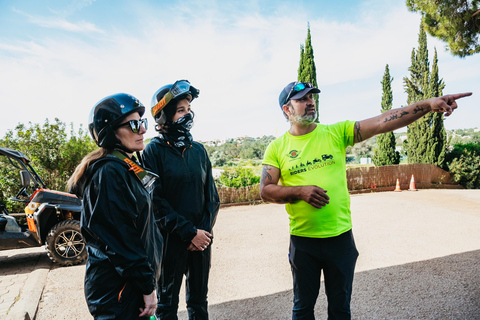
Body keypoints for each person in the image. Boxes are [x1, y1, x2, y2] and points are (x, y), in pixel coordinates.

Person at [260, 81, 472, 320]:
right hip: (303, 242)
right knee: (302, 308)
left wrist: (428, 104)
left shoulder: (336, 132)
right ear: (287, 109)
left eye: (311, 97)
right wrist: (299, 192)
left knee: (340, 309)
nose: (310, 102)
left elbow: (383, 121)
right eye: (302, 99)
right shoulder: (277, 147)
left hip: (340, 239)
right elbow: (266, 190)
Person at [68, 93, 163, 320]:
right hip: (120, 291)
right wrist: (147, 289)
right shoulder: (109, 174)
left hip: (130, 286)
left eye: (142, 123)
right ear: (110, 131)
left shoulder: (124, 166)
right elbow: (122, 241)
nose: (142, 130)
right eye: (133, 124)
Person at [142, 79, 220, 320]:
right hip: (170, 243)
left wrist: (202, 235)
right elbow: (155, 202)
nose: (187, 115)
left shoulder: (198, 150)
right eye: (180, 110)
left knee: (199, 302)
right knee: (166, 306)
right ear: (164, 116)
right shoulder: (152, 152)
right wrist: (188, 234)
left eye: (188, 109)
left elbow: (212, 198)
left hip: (202, 241)